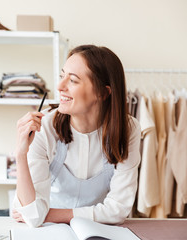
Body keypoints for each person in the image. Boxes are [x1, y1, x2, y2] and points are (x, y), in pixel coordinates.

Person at [12, 45, 141, 227]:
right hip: (52, 232)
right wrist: (20, 154)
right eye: (62, 76)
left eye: (72, 80)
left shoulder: (129, 129)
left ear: (102, 93)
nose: (59, 86)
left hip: (100, 230)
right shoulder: (44, 128)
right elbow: (33, 217)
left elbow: (117, 210)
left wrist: (48, 214)